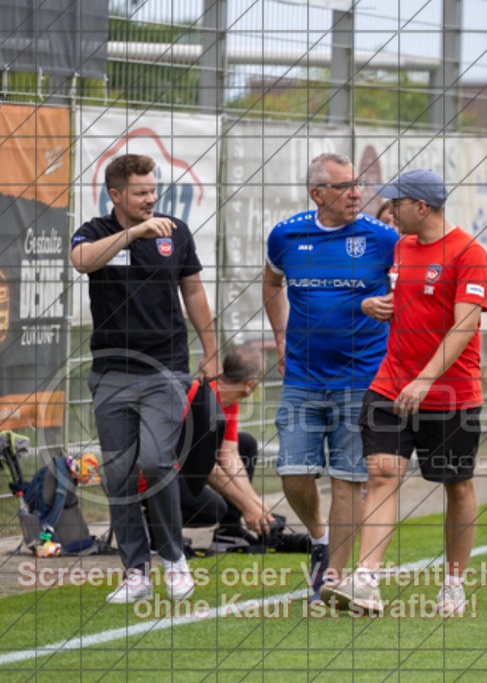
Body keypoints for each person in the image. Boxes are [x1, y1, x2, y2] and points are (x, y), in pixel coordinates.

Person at [326, 168, 487, 616]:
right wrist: (369, 305)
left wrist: (425, 379)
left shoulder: (469, 253)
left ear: (422, 206)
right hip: (388, 385)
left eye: (397, 203)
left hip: (450, 393)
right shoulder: (401, 247)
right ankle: (365, 582)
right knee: (381, 475)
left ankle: (453, 584)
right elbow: (405, 302)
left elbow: (464, 325)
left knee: (456, 485)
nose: (390, 210)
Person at [71, 153, 219, 605]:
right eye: (140, 191)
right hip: (111, 374)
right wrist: (133, 234)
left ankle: (173, 560)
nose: (151, 197)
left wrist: (210, 349)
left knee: (155, 463)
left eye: (154, 189)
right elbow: (81, 261)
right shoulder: (96, 232)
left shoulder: (175, 232)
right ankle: (135, 571)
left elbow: (192, 289)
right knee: (117, 474)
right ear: (116, 195)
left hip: (166, 370)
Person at [263, 153, 399, 601]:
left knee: (347, 479)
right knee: (293, 474)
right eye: (344, 187)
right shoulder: (286, 235)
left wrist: (388, 308)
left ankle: (335, 578)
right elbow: (272, 283)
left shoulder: (382, 239)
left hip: (361, 378)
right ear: (317, 194)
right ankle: (319, 537)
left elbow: (409, 292)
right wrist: (281, 338)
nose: (356, 194)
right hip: (302, 375)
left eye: (357, 185)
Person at [175, 344, 275, 538]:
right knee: (213, 509)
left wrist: (255, 503)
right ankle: (151, 525)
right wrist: (246, 505)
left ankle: (229, 530)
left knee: (246, 443)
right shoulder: (201, 399)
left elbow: (230, 454)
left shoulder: (231, 401)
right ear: (249, 384)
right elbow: (204, 466)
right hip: (167, 473)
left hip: (190, 468)